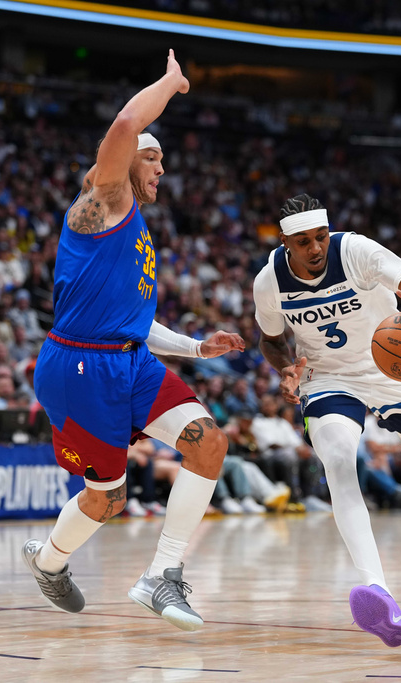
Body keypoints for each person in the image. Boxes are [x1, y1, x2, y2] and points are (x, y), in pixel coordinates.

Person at [20, 51, 245, 632]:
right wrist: (170, 84)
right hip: (80, 368)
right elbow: (124, 124)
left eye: (163, 159)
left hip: (131, 361)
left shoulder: (136, 226)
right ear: (122, 162)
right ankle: (48, 562)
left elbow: (133, 322)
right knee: (108, 499)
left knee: (209, 443)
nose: (162, 168)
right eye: (153, 156)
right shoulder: (102, 203)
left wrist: (196, 348)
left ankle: (161, 575)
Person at [252, 193, 401, 647]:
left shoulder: (356, 251)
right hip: (328, 377)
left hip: (393, 367)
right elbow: (270, 340)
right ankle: (378, 590)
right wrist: (286, 368)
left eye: (321, 237)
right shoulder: (269, 282)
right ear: (284, 242)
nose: (315, 248)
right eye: (303, 241)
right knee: (340, 463)